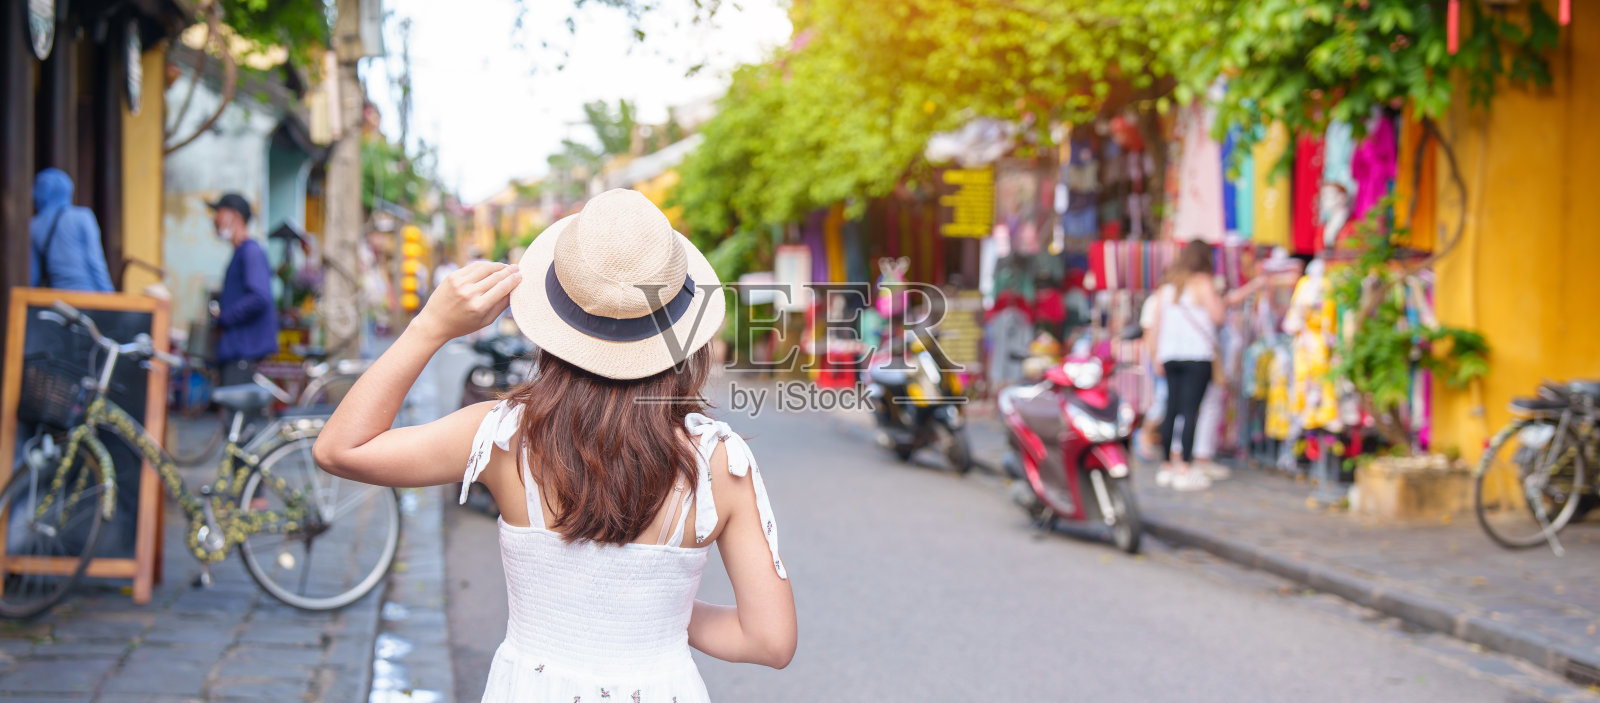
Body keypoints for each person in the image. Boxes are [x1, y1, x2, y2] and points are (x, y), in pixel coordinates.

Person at [314, 190, 797, 702]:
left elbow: (341, 449)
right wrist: (659, 608)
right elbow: (769, 640)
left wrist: (429, 328)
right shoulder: (720, 461)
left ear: (556, 319)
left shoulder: (503, 436)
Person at [1147, 240, 1262, 491]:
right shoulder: (1203, 283)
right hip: (1197, 355)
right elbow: (1218, 315)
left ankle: (1166, 465)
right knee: (1190, 411)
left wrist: (1155, 355)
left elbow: (1156, 325)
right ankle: (1185, 467)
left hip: (1170, 354)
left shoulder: (1168, 286)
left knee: (1172, 408)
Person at [209, 193, 279, 387]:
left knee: (235, 405)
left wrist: (224, 317)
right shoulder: (241, 252)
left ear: (234, 216)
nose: (214, 219)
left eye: (218, 213)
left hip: (244, 353)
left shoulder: (251, 251)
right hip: (236, 351)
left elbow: (259, 297)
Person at [30, 168, 113, 292]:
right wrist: (109, 294)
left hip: (58, 296)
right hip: (88, 293)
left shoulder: (34, 225)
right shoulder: (83, 216)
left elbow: (33, 275)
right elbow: (95, 260)